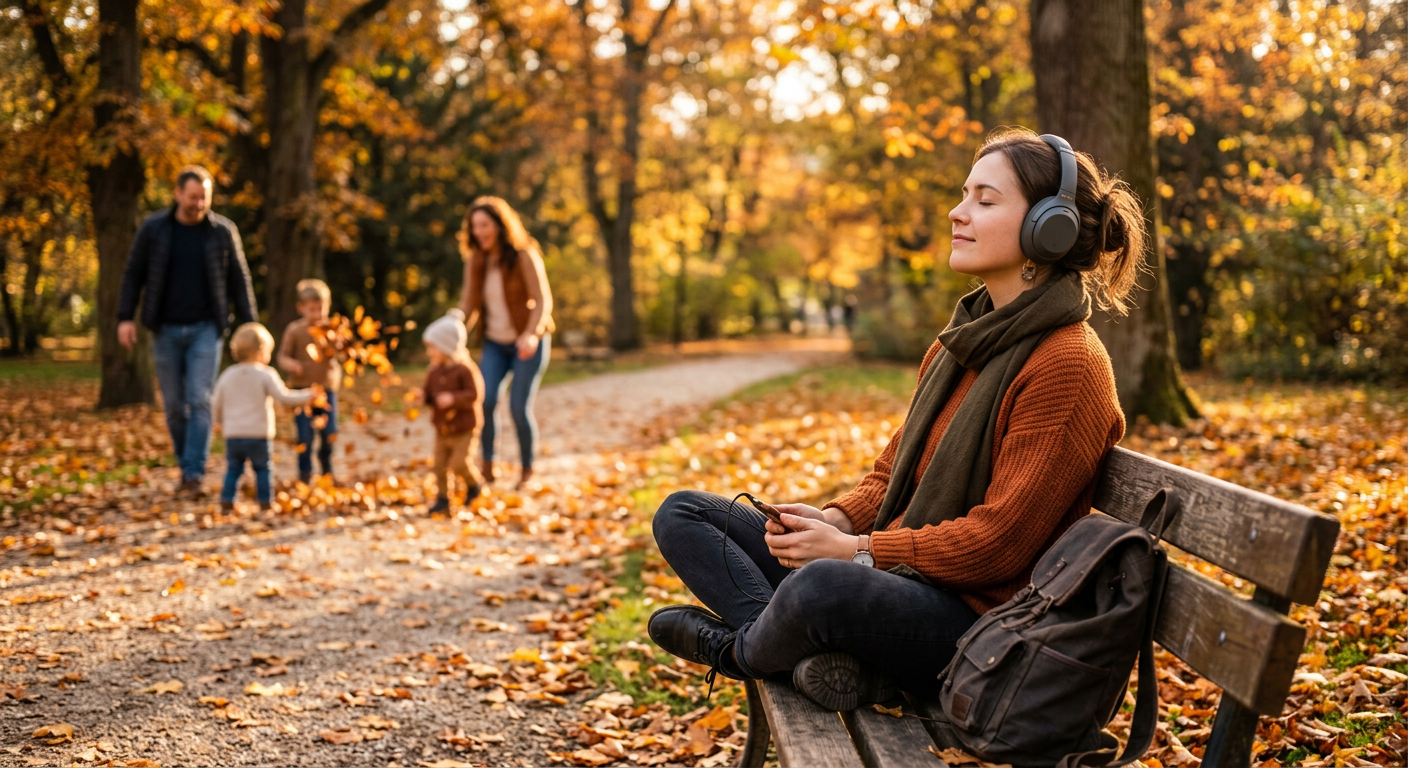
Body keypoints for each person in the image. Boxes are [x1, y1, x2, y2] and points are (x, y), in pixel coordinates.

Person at [647, 128, 1146, 711]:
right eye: (964, 195)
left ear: (1048, 228)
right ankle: (812, 653)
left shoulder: (1069, 364)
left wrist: (854, 552)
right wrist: (828, 519)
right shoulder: (960, 345)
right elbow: (890, 478)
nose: (958, 213)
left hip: (976, 622)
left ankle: (741, 652)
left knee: (819, 587)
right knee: (684, 514)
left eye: (985, 200)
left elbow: (998, 546)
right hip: (895, 582)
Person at [116, 166, 257, 497]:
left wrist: (250, 326)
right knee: (176, 406)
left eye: (204, 198)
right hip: (164, 328)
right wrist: (125, 317)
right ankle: (187, 466)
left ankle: (193, 475)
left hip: (206, 328)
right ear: (177, 193)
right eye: (193, 197)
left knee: (200, 399)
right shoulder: (154, 229)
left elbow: (240, 279)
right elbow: (133, 274)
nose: (198, 204)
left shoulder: (223, 231)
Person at [457, 196, 554, 489]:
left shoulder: (524, 254)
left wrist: (532, 333)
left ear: (500, 226)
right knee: (484, 400)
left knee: (517, 407)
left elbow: (541, 300)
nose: (479, 232)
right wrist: (452, 326)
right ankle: (488, 463)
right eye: (474, 226)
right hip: (496, 343)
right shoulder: (477, 260)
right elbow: (468, 303)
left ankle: (526, 468)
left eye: (484, 225)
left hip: (528, 343)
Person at [212, 323, 316, 511]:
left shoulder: (227, 375)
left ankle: (227, 499)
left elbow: (216, 402)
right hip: (258, 435)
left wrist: (216, 423)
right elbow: (284, 397)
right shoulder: (266, 374)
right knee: (263, 469)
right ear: (261, 351)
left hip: (233, 435)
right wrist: (309, 395)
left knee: (233, 469)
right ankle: (265, 501)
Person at [417, 309, 487, 513]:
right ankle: (442, 500)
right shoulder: (433, 371)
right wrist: (423, 397)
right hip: (442, 428)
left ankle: (474, 484)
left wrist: (453, 399)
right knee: (439, 466)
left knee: (458, 463)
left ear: (447, 347)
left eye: (433, 347)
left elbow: (475, 395)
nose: (430, 352)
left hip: (464, 428)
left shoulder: (465, 370)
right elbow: (430, 395)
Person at [277, 279, 341, 484]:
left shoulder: (331, 330)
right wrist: (292, 365)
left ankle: (327, 470)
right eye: (312, 309)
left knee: (329, 432)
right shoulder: (294, 330)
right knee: (304, 435)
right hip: (301, 392)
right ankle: (305, 474)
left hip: (326, 391)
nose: (317, 314)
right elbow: (282, 357)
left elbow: (341, 354)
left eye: (321, 309)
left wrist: (338, 345)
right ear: (301, 308)